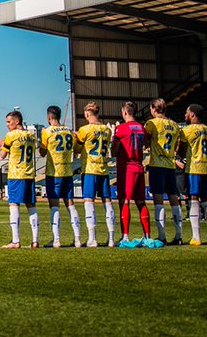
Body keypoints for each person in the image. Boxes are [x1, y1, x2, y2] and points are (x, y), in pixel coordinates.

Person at [112, 102, 153, 246]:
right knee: (141, 202)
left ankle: (125, 237)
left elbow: (114, 151)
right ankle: (147, 236)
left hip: (126, 167)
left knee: (125, 201)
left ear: (124, 113)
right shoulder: (141, 127)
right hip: (139, 166)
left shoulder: (121, 128)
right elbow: (147, 142)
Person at [39, 105, 80, 248]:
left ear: (49, 117)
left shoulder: (47, 132)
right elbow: (77, 149)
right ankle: (78, 239)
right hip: (68, 172)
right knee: (71, 205)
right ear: (60, 116)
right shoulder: (68, 131)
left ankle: (56, 240)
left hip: (53, 173)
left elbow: (42, 153)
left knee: (54, 206)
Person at [177, 104, 207, 245]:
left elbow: (181, 152)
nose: (185, 115)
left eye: (187, 113)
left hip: (194, 168)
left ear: (193, 115)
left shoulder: (187, 131)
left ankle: (196, 237)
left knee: (194, 199)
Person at [144, 98, 184, 245]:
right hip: (170, 165)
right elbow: (178, 145)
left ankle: (162, 236)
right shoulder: (174, 125)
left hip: (157, 164)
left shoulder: (151, 123)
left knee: (158, 201)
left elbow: (146, 142)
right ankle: (178, 236)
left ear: (154, 109)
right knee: (174, 199)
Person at [75, 102, 115, 247]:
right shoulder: (107, 130)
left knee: (89, 202)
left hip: (90, 169)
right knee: (108, 203)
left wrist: (76, 138)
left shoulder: (84, 130)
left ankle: (92, 238)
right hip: (103, 169)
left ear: (87, 114)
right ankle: (111, 238)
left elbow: (78, 149)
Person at [0, 110, 39, 249]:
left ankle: (16, 241)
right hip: (29, 174)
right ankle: (35, 240)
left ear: (17, 121)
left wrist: (2, 145)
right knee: (31, 206)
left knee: (14, 205)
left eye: (9, 122)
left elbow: (2, 155)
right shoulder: (31, 136)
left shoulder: (11, 136)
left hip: (16, 174)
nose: (7, 125)